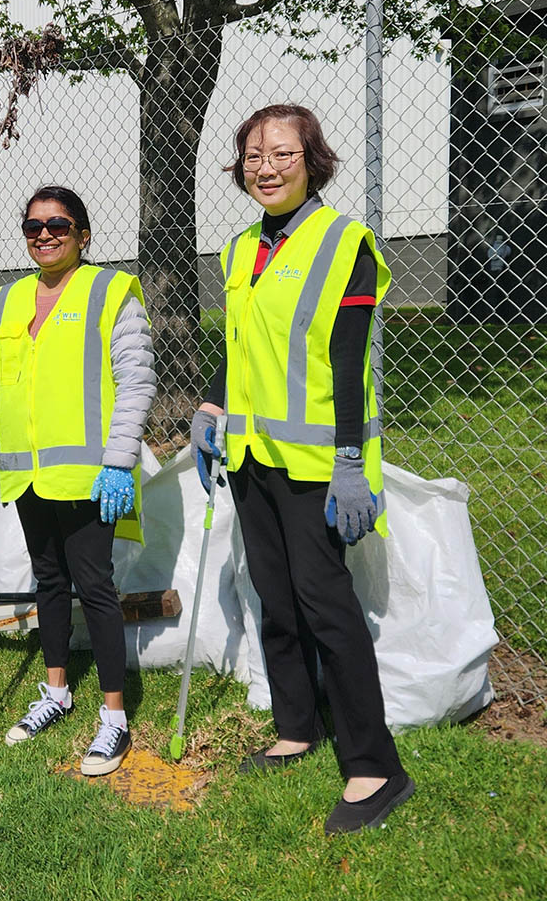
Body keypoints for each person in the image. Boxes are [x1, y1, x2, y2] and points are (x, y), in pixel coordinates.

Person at [189, 104, 414, 835]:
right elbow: (241, 348)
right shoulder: (238, 250)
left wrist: (351, 460)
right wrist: (210, 406)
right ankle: (296, 727)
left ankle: (376, 767)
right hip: (253, 457)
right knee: (274, 596)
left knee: (326, 605)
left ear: (312, 159)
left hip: (322, 462)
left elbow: (349, 362)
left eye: (282, 153)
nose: (265, 167)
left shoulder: (344, 241)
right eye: (253, 156)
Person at [0, 185, 156, 777]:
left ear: (83, 234)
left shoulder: (111, 292)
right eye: (33, 226)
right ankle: (57, 691)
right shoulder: (2, 303)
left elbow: (136, 381)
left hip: (91, 476)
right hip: (29, 476)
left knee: (94, 585)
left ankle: (114, 717)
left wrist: (119, 461)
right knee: (48, 581)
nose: (45, 234)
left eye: (58, 225)